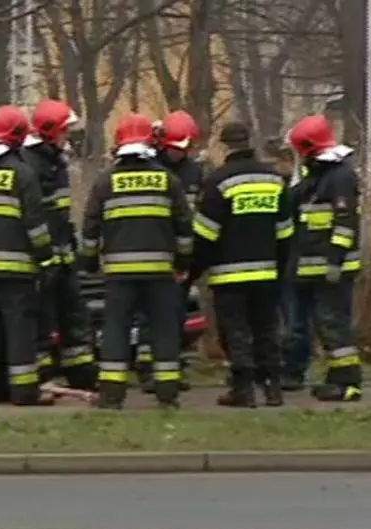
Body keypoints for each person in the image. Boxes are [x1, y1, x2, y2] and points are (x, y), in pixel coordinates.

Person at [79, 113, 194, 409]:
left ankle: (112, 395)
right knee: (164, 328)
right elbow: (184, 227)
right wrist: (183, 262)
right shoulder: (168, 180)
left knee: (116, 328)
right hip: (160, 273)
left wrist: (89, 262)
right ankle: (168, 393)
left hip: (119, 274)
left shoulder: (106, 182)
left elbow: (91, 226)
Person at [191, 122, 293, 407]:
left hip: (229, 275)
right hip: (267, 272)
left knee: (235, 332)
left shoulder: (218, 181)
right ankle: (273, 388)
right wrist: (280, 267)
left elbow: (205, 234)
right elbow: (285, 231)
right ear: (251, 142)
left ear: (224, 146)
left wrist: (194, 269)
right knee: (266, 329)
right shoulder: (274, 180)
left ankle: (243, 390)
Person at [0, 105, 56, 406]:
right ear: (17, 136)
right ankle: (24, 391)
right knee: (20, 329)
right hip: (17, 268)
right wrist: (46, 259)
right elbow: (35, 224)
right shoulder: (23, 173)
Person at [287, 114, 364, 402]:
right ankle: (336, 378)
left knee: (334, 325)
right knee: (326, 325)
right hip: (316, 267)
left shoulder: (339, 177)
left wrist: (334, 261)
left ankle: (348, 383)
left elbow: (344, 224)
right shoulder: (320, 177)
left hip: (333, 268)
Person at [21, 100, 96, 389]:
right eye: (65, 129)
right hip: (43, 256)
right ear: (50, 131)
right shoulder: (31, 163)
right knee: (41, 317)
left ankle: (81, 373)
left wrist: (70, 250)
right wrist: (45, 255)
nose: (68, 135)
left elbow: (61, 215)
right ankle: (43, 375)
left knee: (74, 313)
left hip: (63, 254)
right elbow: (36, 216)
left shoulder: (56, 160)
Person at [131, 111, 205, 393]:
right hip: (155, 251)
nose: (180, 153)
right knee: (150, 314)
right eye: (175, 148)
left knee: (175, 315)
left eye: (184, 148)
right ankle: (148, 368)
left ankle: (171, 367)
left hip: (182, 254)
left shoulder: (194, 171)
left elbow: (195, 214)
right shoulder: (150, 167)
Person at [261, 138, 314, 391]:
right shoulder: (284, 184)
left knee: (294, 319)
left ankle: (293, 369)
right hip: (280, 257)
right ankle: (279, 366)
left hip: (293, 258)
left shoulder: (302, 184)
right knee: (283, 319)